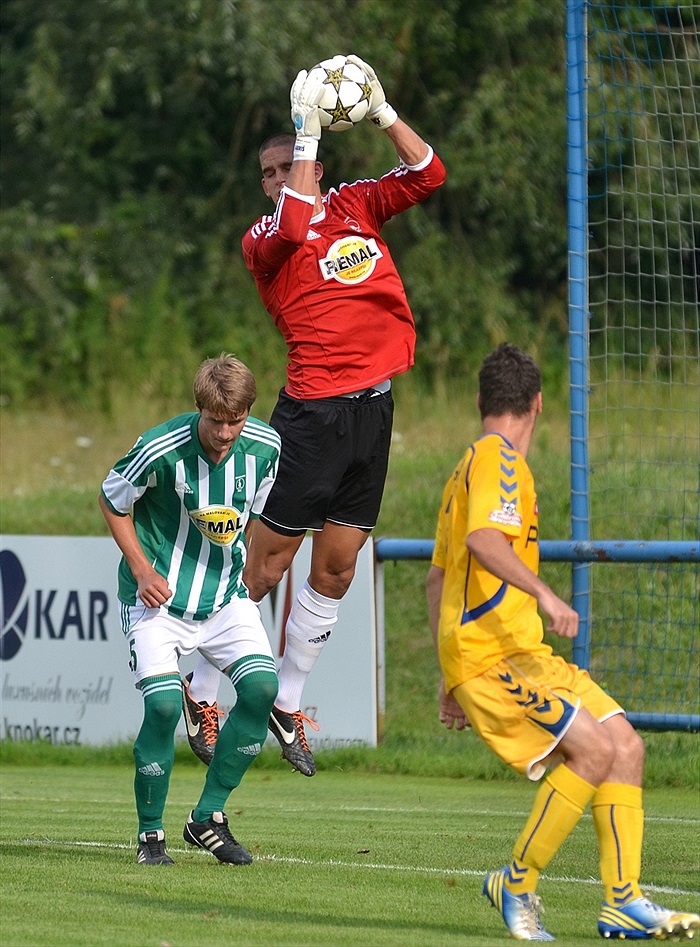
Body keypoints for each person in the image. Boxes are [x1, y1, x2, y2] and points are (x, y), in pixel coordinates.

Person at [184, 53, 446, 776]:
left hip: (374, 408)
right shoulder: (265, 239)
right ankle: (202, 690)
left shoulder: (356, 203)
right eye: (267, 173)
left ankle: (286, 699)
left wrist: (383, 112)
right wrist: (305, 132)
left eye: (287, 166)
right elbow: (295, 227)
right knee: (266, 566)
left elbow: (429, 174)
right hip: (312, 413)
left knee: (336, 568)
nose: (277, 180)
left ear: (320, 167)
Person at [427, 343, 699, 941]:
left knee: (625, 746)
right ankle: (515, 882)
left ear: (479, 401)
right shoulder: (499, 462)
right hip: (493, 656)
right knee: (593, 752)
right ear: (539, 403)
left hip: (518, 654)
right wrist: (547, 595)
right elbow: (481, 542)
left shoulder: (469, 464)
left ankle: (623, 901)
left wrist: (445, 677)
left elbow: (436, 577)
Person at [99, 354, 281, 865]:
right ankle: (150, 835)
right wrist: (140, 568)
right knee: (160, 707)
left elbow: (261, 517)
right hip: (157, 600)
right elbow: (112, 500)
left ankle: (207, 817)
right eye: (216, 420)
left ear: (248, 413)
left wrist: (259, 570)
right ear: (199, 407)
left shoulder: (267, 446)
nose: (225, 432)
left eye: (236, 420)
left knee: (263, 688)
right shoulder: (160, 446)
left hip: (224, 598)